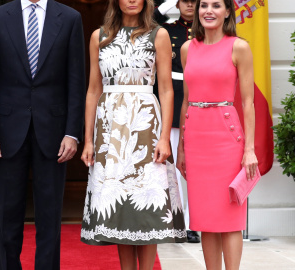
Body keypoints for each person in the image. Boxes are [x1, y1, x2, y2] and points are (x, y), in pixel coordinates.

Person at [0, 0, 85, 269]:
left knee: (50, 216)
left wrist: (72, 133)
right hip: (5, 133)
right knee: (7, 214)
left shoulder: (70, 18)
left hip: (54, 133)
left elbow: (76, 81)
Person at [80, 0, 186, 269]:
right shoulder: (99, 36)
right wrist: (89, 140)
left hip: (145, 125)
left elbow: (166, 89)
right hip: (109, 129)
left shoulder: (158, 34)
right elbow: (93, 90)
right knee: (120, 208)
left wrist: (164, 138)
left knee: (146, 206)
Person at [177, 0, 258, 269]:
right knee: (205, 218)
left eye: (216, 5)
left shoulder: (239, 47)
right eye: (204, 5)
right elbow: (186, 101)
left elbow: (248, 102)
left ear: (226, 13)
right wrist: (182, 148)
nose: (208, 11)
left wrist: (249, 150)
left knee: (230, 216)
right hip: (196, 138)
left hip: (227, 139)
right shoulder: (188, 48)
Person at [154, 0, 201, 244]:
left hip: (198, 96)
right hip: (172, 96)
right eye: (184, 0)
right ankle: (175, 220)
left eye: (195, 0)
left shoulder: (208, 30)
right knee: (171, 166)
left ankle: (193, 224)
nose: (190, 5)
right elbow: (148, 19)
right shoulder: (167, 29)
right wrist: (167, 3)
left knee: (192, 169)